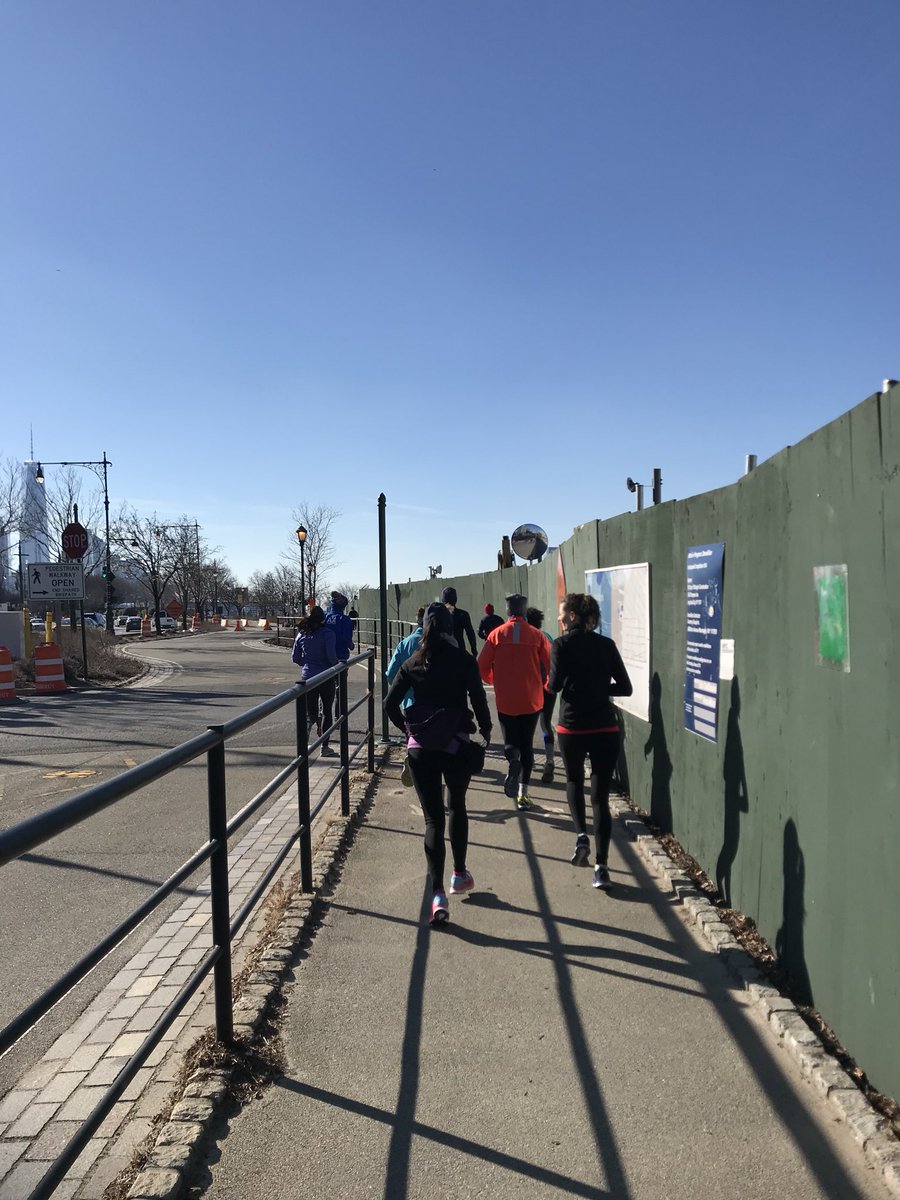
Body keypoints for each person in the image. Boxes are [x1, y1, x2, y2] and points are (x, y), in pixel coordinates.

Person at [385, 603, 492, 927]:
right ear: (449, 628)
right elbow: (478, 699)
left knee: (433, 820)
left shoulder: (412, 662)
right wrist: (485, 731)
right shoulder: (463, 660)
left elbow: (391, 704)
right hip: (456, 745)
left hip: (422, 750)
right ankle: (459, 875)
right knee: (456, 807)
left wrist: (408, 731)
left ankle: (436, 896)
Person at [546, 593, 632, 890]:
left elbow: (554, 686)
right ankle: (602, 867)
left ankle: (581, 835)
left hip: (571, 728)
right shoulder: (606, 645)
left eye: (561, 614)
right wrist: (597, 687)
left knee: (573, 781)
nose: (558, 618)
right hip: (605, 728)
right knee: (600, 798)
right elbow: (625, 687)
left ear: (571, 616)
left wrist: (561, 683)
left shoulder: (560, 645)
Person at [478, 593, 550, 810]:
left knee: (510, 742)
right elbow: (551, 665)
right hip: (531, 700)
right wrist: (544, 684)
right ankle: (523, 794)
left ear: (508, 611)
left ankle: (512, 762)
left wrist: (493, 680)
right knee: (527, 744)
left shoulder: (496, 635)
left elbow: (481, 666)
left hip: (506, 699)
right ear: (524, 610)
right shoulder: (537, 636)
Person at [385, 607, 426, 787]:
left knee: (413, 734)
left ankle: (412, 756)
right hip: (435, 702)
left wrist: (401, 689)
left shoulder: (405, 644)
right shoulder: (439, 642)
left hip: (409, 701)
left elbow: (390, 673)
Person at [291, 605, 339, 757]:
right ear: (323, 618)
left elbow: (295, 657)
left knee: (309, 713)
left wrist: (306, 664)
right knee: (327, 711)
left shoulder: (302, 634)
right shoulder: (328, 634)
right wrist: (337, 668)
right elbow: (331, 656)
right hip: (326, 676)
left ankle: (303, 746)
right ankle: (325, 746)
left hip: (308, 677)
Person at [526, 606, 557, 782]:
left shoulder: (525, 638)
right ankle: (550, 759)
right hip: (548, 686)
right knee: (546, 723)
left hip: (531, 687)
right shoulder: (547, 637)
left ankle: (529, 761)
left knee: (528, 725)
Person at [441, 586, 477, 656]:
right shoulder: (462, 614)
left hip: (443, 653)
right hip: (459, 650)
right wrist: (474, 649)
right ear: (455, 599)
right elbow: (470, 633)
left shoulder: (439, 615)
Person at [324, 591, 354, 661]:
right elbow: (346, 637)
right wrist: (351, 645)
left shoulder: (325, 617)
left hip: (325, 654)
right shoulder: (344, 619)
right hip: (341, 654)